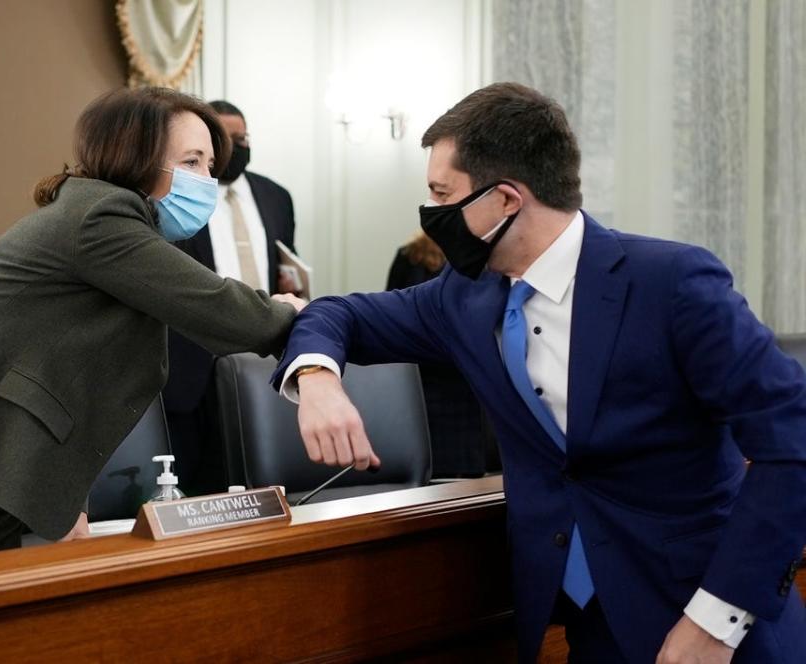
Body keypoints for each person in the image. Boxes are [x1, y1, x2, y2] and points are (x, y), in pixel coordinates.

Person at [271, 82, 806, 663]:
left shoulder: (672, 283)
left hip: (715, 623)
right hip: (586, 627)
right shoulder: (462, 296)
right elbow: (339, 313)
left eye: (441, 193)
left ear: (505, 200)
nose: (430, 215)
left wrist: (716, 619)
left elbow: (793, 445)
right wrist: (319, 380)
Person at [0, 87, 302, 574]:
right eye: (192, 161)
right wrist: (300, 315)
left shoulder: (108, 221)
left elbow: (67, 379)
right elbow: (218, 309)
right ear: (136, 157)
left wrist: (65, 497)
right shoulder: (100, 219)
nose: (207, 181)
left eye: (210, 166)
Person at [161, 99, 299, 495]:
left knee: (256, 483)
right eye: (225, 139)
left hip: (260, 360)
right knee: (195, 488)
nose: (235, 147)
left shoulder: (276, 196)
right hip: (193, 367)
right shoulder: (180, 197)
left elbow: (285, 262)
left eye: (243, 138)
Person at [386, 231, 500, 477]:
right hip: (444, 382)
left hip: (444, 385)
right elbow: (392, 314)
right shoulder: (412, 256)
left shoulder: (489, 259)